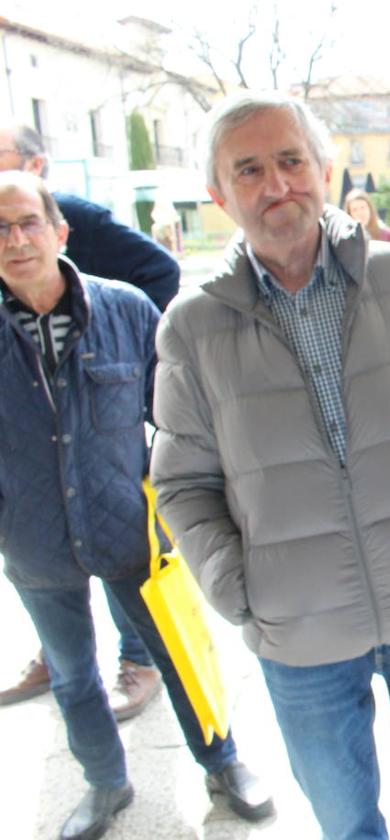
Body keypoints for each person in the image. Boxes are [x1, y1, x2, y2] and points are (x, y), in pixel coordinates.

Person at [150, 91, 390, 840]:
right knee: (346, 827)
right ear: (218, 194)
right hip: (298, 636)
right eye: (248, 170)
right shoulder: (192, 328)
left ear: (325, 167)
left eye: (290, 160)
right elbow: (182, 483)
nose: (276, 186)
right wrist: (242, 592)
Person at [0, 170, 273, 840]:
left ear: (60, 231)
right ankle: (105, 784)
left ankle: (223, 759)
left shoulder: (126, 309)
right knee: (72, 676)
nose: (14, 240)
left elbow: (178, 415)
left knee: (179, 651)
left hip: (131, 528)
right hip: (33, 538)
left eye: (27, 222)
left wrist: (187, 502)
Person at [0, 122, 182, 720]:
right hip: (35, 476)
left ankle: (138, 660)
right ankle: (56, 658)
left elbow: (158, 270)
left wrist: (114, 336)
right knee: (58, 601)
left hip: (105, 424)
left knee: (141, 601)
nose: (17, 238)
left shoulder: (80, 218)